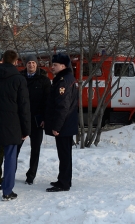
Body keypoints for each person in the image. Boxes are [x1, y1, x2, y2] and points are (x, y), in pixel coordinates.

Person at [0, 49, 30, 201]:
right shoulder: (18, 79)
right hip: (12, 124)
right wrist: (26, 128)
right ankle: (7, 190)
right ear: (15, 62)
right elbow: (24, 105)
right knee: (10, 157)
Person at [45, 53, 78, 192]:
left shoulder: (64, 81)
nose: (52, 67)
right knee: (64, 154)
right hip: (66, 124)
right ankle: (63, 179)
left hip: (64, 125)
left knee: (64, 155)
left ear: (63, 66)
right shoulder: (66, 78)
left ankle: (64, 183)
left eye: (55, 65)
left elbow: (63, 106)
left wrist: (57, 126)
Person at [17, 54, 51, 185]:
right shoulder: (20, 78)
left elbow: (47, 101)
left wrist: (44, 118)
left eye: (33, 63)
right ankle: (10, 173)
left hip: (37, 120)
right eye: (29, 63)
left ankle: (31, 175)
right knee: (16, 148)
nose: (31, 65)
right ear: (25, 64)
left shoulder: (43, 80)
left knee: (35, 150)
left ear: (37, 64)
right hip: (21, 120)